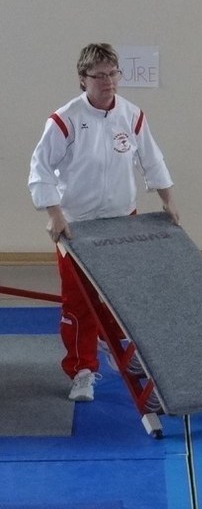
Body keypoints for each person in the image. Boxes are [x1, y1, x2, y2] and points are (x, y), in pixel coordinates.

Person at [28, 43, 179, 403]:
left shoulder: (132, 115)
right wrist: (54, 214)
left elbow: (152, 159)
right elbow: (40, 169)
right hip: (76, 225)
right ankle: (82, 369)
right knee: (79, 301)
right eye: (99, 76)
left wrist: (168, 200)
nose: (108, 81)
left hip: (122, 221)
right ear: (83, 79)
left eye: (113, 74)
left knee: (122, 295)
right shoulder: (64, 120)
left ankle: (120, 348)